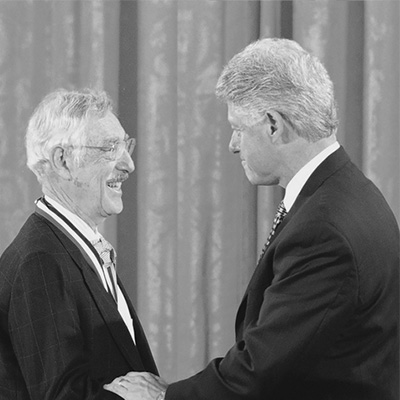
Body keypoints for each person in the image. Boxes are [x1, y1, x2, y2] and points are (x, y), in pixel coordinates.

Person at [104, 38, 399, 400]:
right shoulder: (349, 193)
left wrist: (164, 397)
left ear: (274, 124)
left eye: (238, 128)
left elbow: (260, 370)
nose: (233, 144)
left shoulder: (325, 229)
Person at [0, 88, 158, 399]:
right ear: (63, 161)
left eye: (126, 146)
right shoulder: (40, 261)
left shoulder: (73, 248)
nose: (128, 164)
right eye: (109, 148)